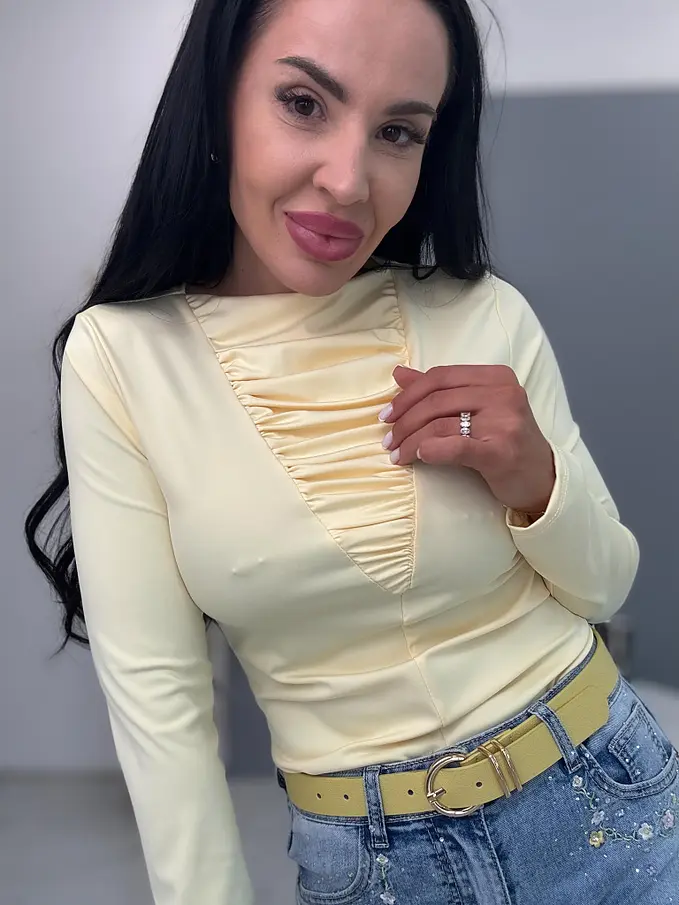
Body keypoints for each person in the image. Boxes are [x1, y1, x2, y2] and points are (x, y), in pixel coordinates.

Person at [24, 0, 678, 903]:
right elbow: (159, 701)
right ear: (217, 99)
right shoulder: (122, 356)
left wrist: (534, 476)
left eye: (397, 132)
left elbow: (604, 586)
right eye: (302, 104)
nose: (346, 181)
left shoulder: (481, 311)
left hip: (612, 802)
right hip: (373, 868)